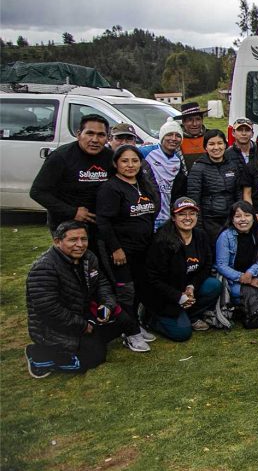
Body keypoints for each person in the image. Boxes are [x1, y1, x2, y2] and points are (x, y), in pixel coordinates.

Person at [24, 221, 135, 377]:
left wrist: (107, 305)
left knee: (125, 321)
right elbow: (48, 310)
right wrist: (83, 326)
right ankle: (39, 356)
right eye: (73, 240)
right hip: (53, 327)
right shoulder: (44, 268)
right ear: (57, 242)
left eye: (84, 239)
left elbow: (102, 284)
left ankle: (89, 341)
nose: (80, 244)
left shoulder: (89, 257)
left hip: (83, 315)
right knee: (95, 357)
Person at [95, 145, 160, 352]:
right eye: (125, 161)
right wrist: (116, 248)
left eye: (134, 161)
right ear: (116, 164)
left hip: (144, 248)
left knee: (140, 287)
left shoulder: (143, 184)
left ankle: (136, 325)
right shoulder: (111, 188)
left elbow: (151, 211)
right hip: (122, 251)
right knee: (126, 292)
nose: (130, 165)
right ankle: (129, 332)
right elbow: (103, 221)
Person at [145, 197, 221, 340]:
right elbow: (153, 279)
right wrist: (178, 296)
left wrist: (192, 287)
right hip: (165, 296)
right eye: (181, 214)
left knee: (214, 285)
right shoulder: (162, 241)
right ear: (173, 217)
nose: (188, 218)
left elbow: (206, 266)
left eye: (192, 213)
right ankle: (151, 319)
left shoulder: (201, 236)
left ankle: (192, 315)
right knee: (182, 334)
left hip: (188, 289)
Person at [30, 113, 114, 241]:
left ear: (107, 138)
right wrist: (72, 212)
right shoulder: (60, 157)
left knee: (98, 260)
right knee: (73, 259)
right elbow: (37, 192)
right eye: (90, 133)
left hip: (98, 223)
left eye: (101, 135)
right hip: (67, 223)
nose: (95, 140)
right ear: (79, 134)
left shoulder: (110, 157)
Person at [187, 130, 243, 244]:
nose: (216, 147)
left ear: (225, 145)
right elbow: (194, 198)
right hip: (209, 221)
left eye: (220, 143)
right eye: (211, 144)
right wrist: (199, 225)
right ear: (205, 147)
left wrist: (239, 215)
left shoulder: (232, 165)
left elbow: (238, 193)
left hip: (231, 218)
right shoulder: (198, 168)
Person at [215, 201, 258, 306]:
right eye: (238, 216)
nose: (243, 219)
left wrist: (252, 273)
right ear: (232, 220)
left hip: (253, 273)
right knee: (239, 293)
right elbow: (221, 265)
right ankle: (242, 306)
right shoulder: (225, 236)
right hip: (234, 277)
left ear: (253, 218)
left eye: (247, 215)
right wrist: (242, 277)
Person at [140, 118, 186, 229]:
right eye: (169, 134)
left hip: (166, 215)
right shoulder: (147, 151)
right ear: (162, 137)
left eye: (178, 135)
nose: (174, 139)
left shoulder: (177, 160)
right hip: (148, 211)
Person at [174, 102, 209, 170]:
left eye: (198, 119)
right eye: (190, 120)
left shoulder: (210, 137)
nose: (195, 124)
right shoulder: (176, 140)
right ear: (183, 122)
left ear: (202, 120)